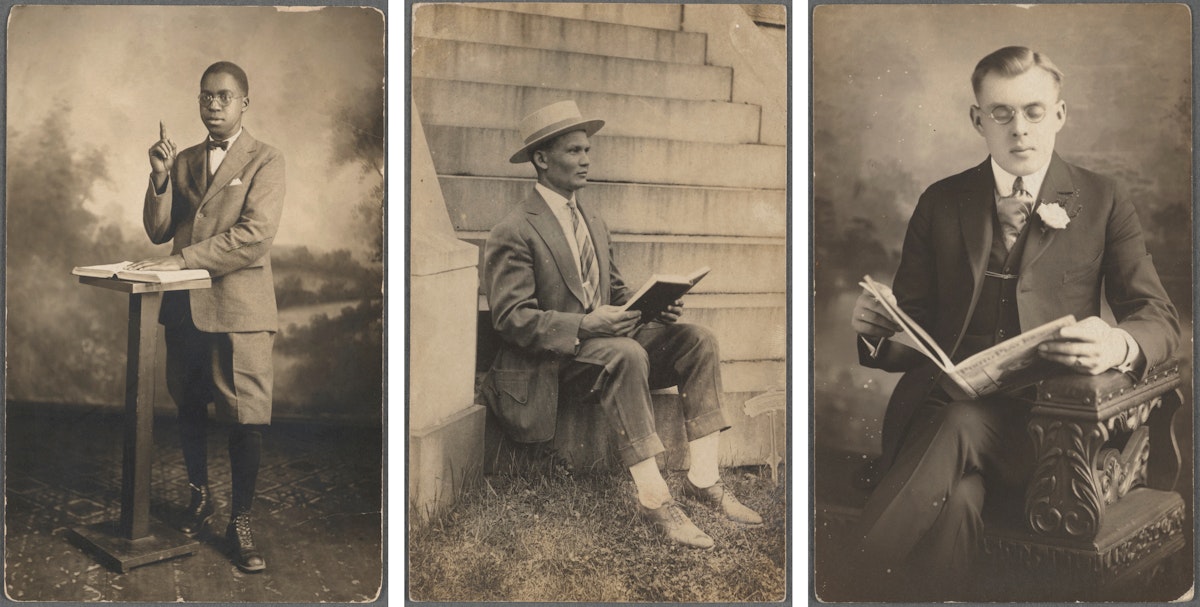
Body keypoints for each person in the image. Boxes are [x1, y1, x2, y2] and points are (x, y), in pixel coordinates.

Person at [849, 46, 1179, 598]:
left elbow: (1159, 318)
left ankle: (842, 580)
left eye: (1033, 111)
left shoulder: (1102, 199)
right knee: (960, 502)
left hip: (1052, 434)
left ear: (1059, 115)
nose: (1018, 129)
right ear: (977, 119)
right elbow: (915, 330)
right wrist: (875, 331)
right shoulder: (941, 201)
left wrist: (1116, 345)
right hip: (935, 418)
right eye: (1000, 113)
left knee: (959, 425)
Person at [478, 100, 762, 549]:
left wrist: (652, 310)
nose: (586, 159)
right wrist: (587, 324)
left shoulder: (591, 219)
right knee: (626, 352)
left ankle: (704, 478)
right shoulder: (513, 230)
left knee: (698, 340)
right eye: (573, 151)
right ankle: (654, 499)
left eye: (588, 150)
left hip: (600, 348)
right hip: (552, 365)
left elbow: (612, 294)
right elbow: (511, 320)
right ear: (541, 159)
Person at [129, 61, 285, 573]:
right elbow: (158, 231)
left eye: (223, 97)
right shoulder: (185, 160)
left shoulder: (266, 159)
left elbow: (253, 237)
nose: (213, 106)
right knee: (189, 408)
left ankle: (240, 522)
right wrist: (158, 178)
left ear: (245, 102)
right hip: (184, 312)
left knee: (245, 420)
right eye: (205, 98)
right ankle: (200, 496)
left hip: (240, 312)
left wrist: (183, 260)